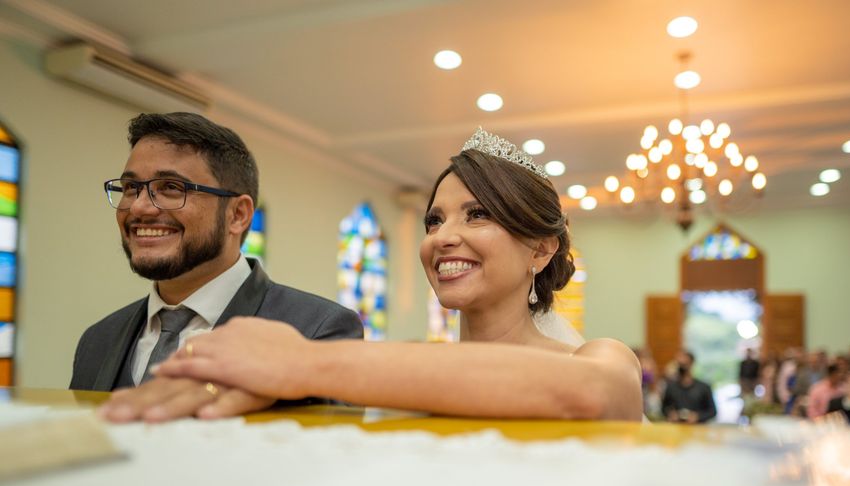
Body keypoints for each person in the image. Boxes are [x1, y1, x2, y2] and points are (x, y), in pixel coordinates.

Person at [102, 127, 644, 421]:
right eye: (434, 219)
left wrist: (301, 363)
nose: (442, 237)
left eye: (477, 214)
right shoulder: (405, 371)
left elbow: (586, 395)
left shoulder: (600, 359)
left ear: (542, 250)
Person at [81, 112, 362, 421]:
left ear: (238, 215)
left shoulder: (318, 330)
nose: (139, 207)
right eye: (131, 188)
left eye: (172, 187)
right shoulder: (98, 339)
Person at [660, 350, 716, 423]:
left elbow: (712, 411)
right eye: (680, 363)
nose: (682, 366)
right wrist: (670, 414)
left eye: (685, 363)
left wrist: (698, 416)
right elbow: (664, 408)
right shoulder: (671, 387)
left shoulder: (704, 387)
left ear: (691, 363)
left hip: (697, 429)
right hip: (676, 428)